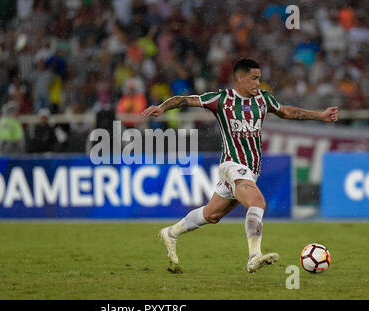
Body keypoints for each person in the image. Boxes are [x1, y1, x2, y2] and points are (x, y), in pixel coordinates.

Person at [141, 58, 339, 273]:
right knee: (258, 202)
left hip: (251, 171)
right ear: (240, 78)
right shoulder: (221, 99)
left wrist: (320, 116)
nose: (258, 83)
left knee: (211, 215)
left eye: (260, 79)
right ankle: (254, 256)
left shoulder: (264, 100)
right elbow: (185, 100)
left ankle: (171, 233)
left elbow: (286, 111)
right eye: (254, 79)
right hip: (232, 165)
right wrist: (162, 107)